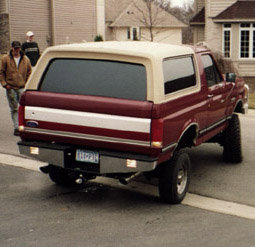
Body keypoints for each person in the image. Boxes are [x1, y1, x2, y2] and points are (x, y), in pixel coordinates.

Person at [0, 41, 32, 136]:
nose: (17, 50)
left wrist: (27, 84)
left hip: (22, 87)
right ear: (12, 48)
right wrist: (5, 84)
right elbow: (1, 72)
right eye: (15, 48)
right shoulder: (6, 59)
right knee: (14, 108)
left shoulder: (25, 59)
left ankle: (24, 126)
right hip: (11, 87)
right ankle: (16, 127)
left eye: (18, 48)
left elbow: (29, 72)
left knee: (23, 108)